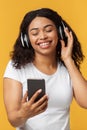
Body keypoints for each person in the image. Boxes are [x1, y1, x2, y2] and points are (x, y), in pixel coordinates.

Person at [3, 8, 87, 130]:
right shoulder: (16, 67)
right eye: (35, 33)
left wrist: (68, 59)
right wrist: (24, 113)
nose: (42, 36)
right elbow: (13, 120)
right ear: (26, 39)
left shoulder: (67, 67)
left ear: (59, 32)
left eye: (48, 30)